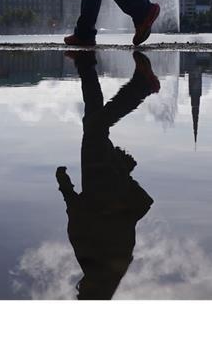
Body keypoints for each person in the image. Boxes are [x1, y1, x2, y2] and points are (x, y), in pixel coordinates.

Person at [56, 50, 159, 299]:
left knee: (93, 118)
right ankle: (142, 86)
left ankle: (86, 64)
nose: (79, 293)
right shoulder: (100, 266)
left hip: (102, 179)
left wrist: (121, 171)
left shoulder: (111, 268)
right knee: (94, 127)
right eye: (82, 297)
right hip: (100, 178)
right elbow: (80, 220)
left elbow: (89, 220)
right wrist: (65, 186)